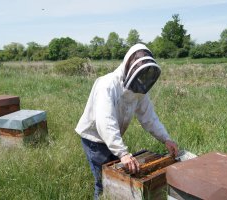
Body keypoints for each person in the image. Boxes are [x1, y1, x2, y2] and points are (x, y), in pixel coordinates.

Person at [75, 43, 178, 199]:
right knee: (103, 182)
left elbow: (149, 118)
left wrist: (166, 139)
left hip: (113, 139)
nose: (142, 79)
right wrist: (122, 153)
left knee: (118, 179)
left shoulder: (139, 90)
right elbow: (105, 121)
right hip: (94, 139)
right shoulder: (108, 85)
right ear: (129, 65)